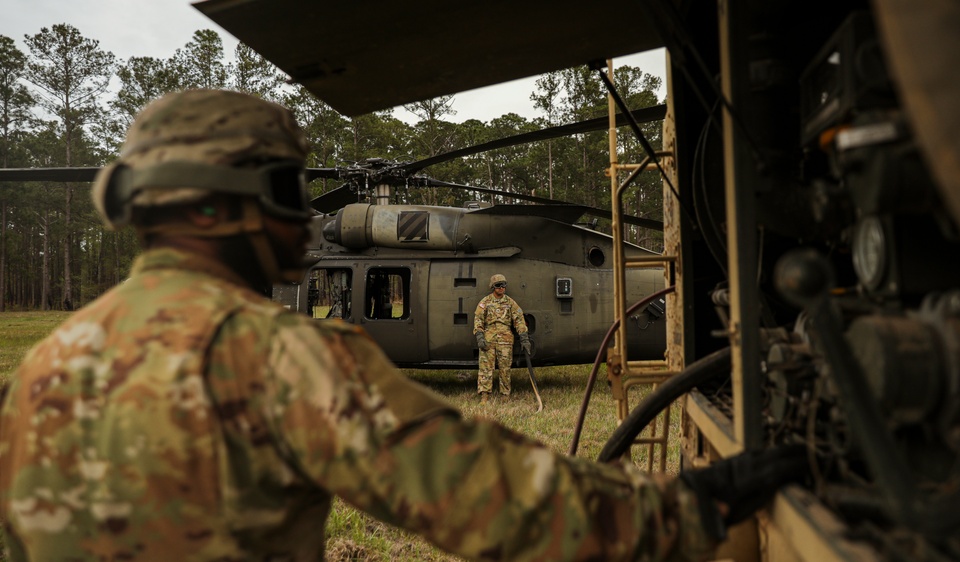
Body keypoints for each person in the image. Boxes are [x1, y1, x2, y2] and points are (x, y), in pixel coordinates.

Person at [0, 89, 805, 561]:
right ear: (219, 205)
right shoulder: (274, 356)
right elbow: (486, 496)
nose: (299, 219)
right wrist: (689, 507)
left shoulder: (41, 370)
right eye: (285, 190)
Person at [473, 273, 529, 404]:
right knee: (485, 368)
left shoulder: (510, 303)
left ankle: (505, 395)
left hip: (505, 341)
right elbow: (478, 319)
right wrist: (480, 336)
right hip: (488, 340)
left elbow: (519, 319)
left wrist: (524, 337)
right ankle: (484, 395)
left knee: (505, 369)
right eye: (498, 285)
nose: (501, 288)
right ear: (493, 287)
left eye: (504, 285)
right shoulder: (485, 302)